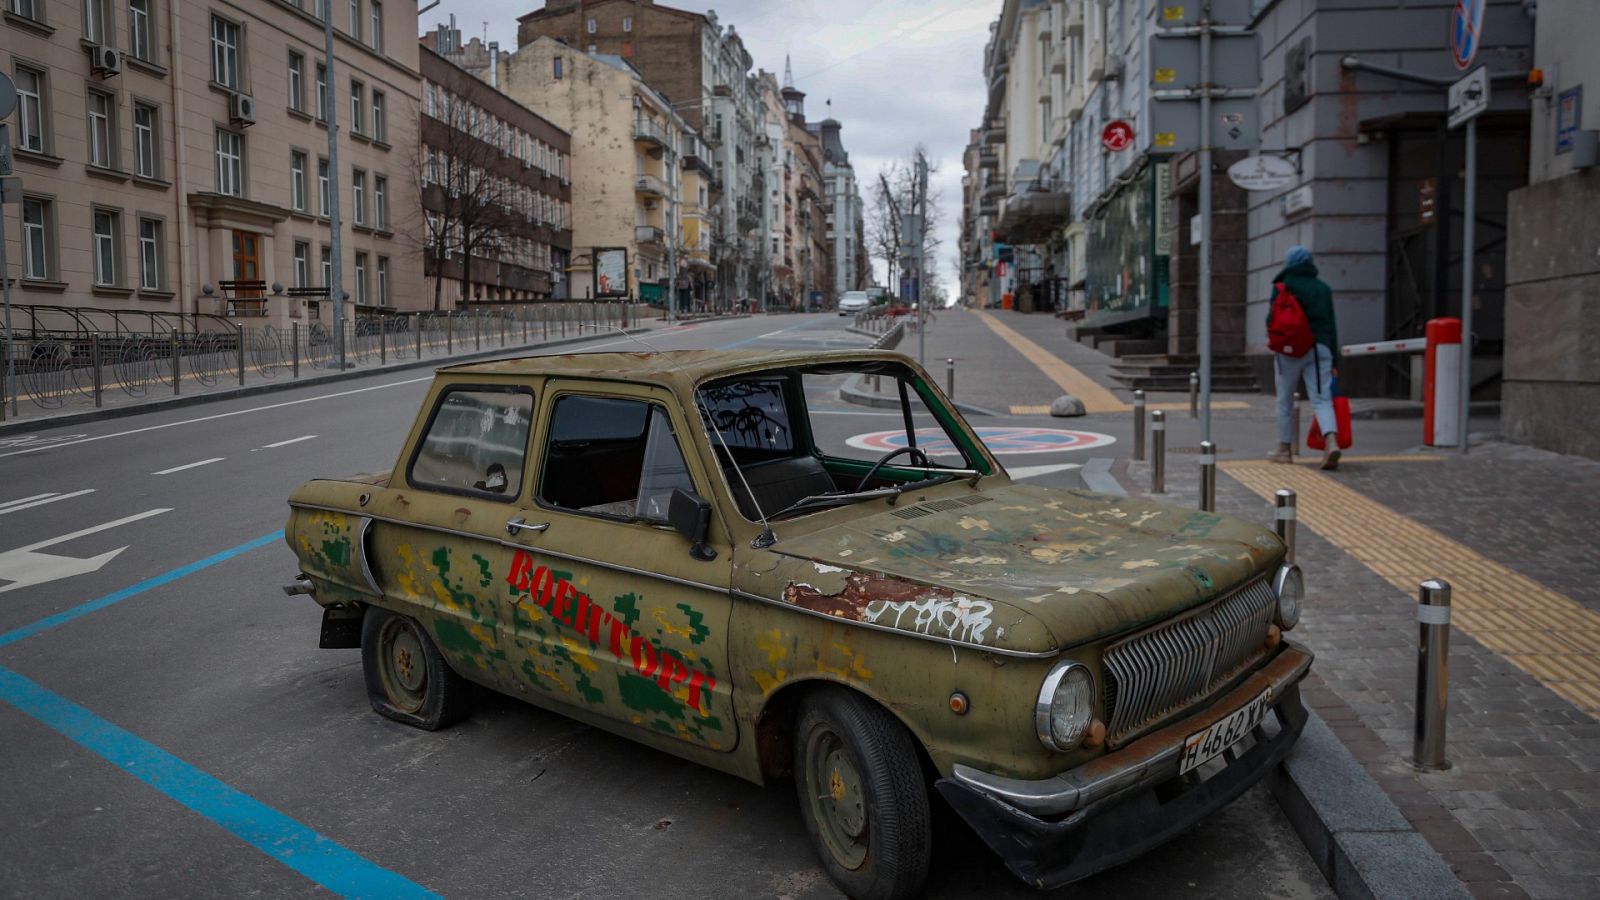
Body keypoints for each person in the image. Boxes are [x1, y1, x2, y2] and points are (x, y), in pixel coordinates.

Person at [1269, 246, 1342, 470]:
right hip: (1320, 349)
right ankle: (1331, 441)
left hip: (1288, 349)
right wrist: (1335, 360)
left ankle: (1284, 449)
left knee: (1285, 400)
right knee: (1321, 399)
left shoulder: (1283, 287)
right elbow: (1332, 325)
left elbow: (1271, 319)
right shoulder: (1323, 289)